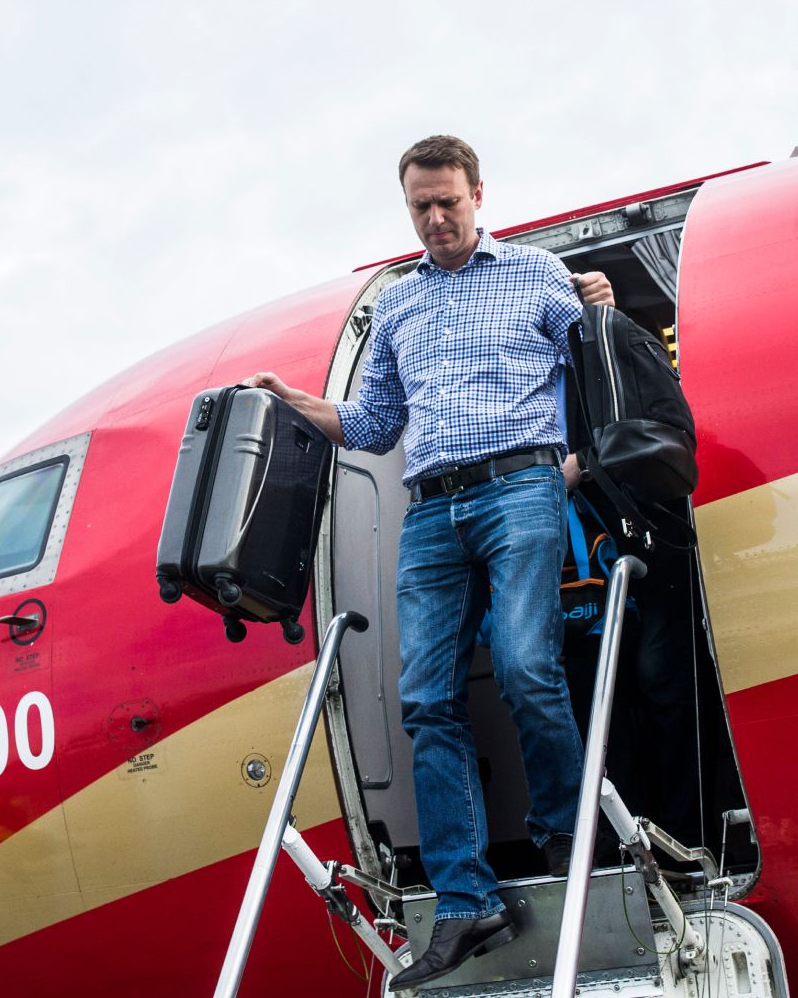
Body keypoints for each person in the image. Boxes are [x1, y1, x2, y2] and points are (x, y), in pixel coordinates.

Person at [246, 134, 613, 988]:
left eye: (449, 201)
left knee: (525, 667)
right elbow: (374, 425)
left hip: (521, 488)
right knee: (425, 700)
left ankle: (568, 835)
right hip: (432, 510)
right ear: (407, 207)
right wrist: (294, 401)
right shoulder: (400, 305)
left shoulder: (537, 275)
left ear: (479, 194)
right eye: (422, 206)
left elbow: (602, 373)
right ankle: (464, 899)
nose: (437, 218)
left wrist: (601, 310)